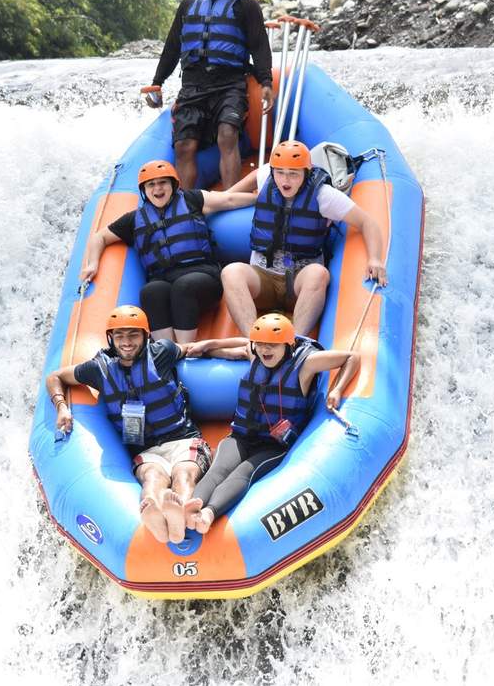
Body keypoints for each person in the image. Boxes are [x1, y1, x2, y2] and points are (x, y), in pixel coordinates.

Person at [182, 313, 360, 535]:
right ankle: (192, 507)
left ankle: (208, 514)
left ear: (288, 345)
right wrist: (209, 345)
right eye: (262, 344)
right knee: (217, 470)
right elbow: (242, 344)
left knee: (243, 472)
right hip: (241, 436)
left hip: (272, 446)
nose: (266, 350)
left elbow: (351, 358)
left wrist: (338, 389)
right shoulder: (257, 355)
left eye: (273, 345)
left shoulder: (305, 365)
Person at [46, 305, 208, 544]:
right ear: (110, 339)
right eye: (119, 336)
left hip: (183, 438)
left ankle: (179, 511)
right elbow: (55, 377)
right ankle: (155, 512)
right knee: (152, 477)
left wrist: (234, 350)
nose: (126, 342)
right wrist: (61, 407)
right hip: (146, 450)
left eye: (133, 335)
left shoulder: (161, 352)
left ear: (145, 335)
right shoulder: (99, 369)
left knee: (184, 473)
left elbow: (190, 349)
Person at [220, 140, 388, 337]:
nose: (285, 180)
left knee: (318, 273)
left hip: (299, 281)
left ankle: (294, 342)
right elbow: (236, 191)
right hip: (262, 278)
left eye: (293, 174)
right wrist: (225, 195)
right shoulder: (266, 174)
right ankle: (253, 339)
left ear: (306, 173)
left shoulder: (324, 196)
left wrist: (375, 259)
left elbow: (367, 222)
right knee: (231, 272)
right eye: (280, 172)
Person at [80, 159, 256, 343]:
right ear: (144, 190)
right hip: (163, 279)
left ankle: (184, 350)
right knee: (150, 291)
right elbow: (99, 237)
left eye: (163, 182)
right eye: (151, 185)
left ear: (173, 184)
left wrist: (258, 199)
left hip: (204, 276)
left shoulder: (192, 200)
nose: (157, 189)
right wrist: (93, 263)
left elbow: (228, 200)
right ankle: (166, 350)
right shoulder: (134, 219)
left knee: (184, 287)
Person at [144, 0, 273, 190]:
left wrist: (265, 82)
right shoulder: (187, 6)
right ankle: (188, 206)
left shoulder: (246, 6)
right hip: (193, 86)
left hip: (230, 85)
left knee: (227, 135)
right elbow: (172, 47)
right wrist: (157, 82)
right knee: (184, 146)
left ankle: (231, 200)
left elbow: (259, 45)